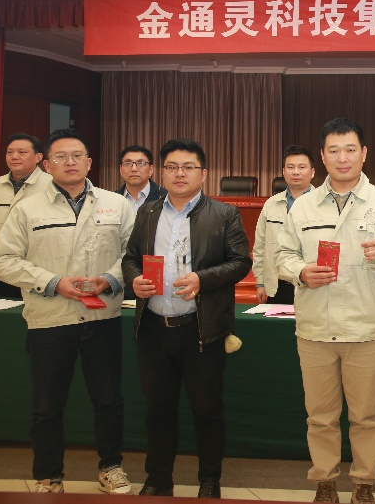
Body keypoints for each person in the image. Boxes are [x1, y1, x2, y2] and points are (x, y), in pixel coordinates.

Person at [276, 118, 375, 504]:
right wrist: (300, 272)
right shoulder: (303, 206)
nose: (343, 158)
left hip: (366, 328)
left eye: (350, 149)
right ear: (322, 157)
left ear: (364, 153)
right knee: (320, 416)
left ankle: (363, 483)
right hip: (315, 328)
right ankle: (324, 482)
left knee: (366, 415)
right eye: (334, 150)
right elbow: (282, 255)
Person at [0, 128, 134, 494]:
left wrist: (109, 279)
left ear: (89, 162)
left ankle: (111, 467)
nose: (69, 162)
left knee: (108, 400)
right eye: (60, 157)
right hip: (49, 319)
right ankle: (48, 475)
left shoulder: (116, 204)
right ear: (47, 164)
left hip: (102, 318)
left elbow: (133, 254)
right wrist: (54, 282)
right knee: (47, 405)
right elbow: (3, 260)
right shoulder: (27, 208)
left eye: (76, 156)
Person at [122, 138, 251, 498]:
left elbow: (241, 262)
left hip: (201, 329)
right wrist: (134, 279)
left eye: (188, 167)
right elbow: (130, 257)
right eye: (172, 167)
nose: (180, 174)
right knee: (158, 409)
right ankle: (158, 479)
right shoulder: (148, 213)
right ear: (162, 173)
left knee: (207, 409)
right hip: (154, 328)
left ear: (203, 173)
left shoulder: (224, 214)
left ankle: (209, 479)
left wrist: (201, 280)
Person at [252, 145, 316, 305]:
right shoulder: (271, 204)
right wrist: (260, 283)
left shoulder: (323, 204)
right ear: (283, 171)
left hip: (312, 286)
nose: (296, 172)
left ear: (312, 172)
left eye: (302, 167)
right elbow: (260, 246)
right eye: (290, 167)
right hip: (277, 284)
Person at [0, 133, 53, 299]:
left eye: (22, 152)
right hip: (1, 267)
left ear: (38, 157)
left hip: (37, 270)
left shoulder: (51, 185)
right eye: (10, 152)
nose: (14, 157)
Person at [114, 145, 167, 213]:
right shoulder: (111, 199)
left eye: (141, 163)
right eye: (128, 163)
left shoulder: (165, 198)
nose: (134, 169)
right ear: (121, 169)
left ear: (151, 169)